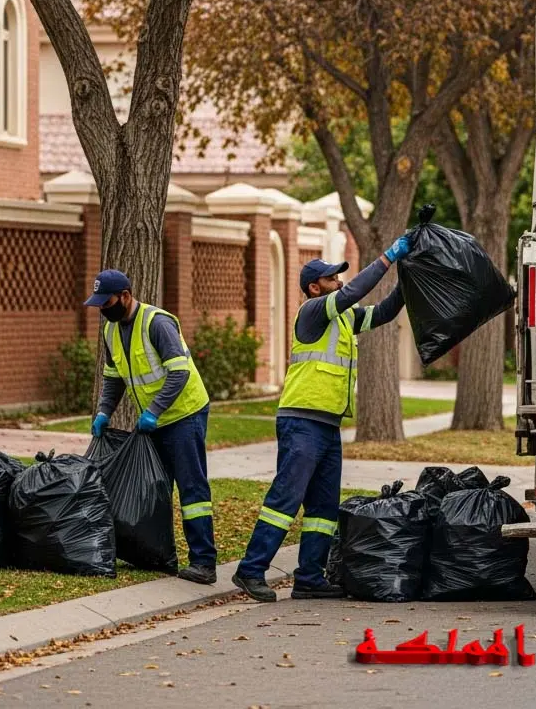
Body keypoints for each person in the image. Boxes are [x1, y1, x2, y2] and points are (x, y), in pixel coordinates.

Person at [232, 234, 412, 601]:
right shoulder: (314, 311)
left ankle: (309, 577)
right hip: (301, 421)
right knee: (286, 498)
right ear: (315, 287)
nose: (339, 282)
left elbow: (384, 312)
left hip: (327, 424)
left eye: (337, 277)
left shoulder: (343, 318)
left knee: (323, 507)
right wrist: (388, 257)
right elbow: (353, 292)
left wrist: (408, 276)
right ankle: (250, 571)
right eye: (331, 278)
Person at [84, 269, 216, 585]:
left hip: (184, 415)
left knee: (192, 488)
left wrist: (154, 411)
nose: (103, 309)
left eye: (108, 302)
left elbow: (179, 373)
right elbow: (113, 378)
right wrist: (104, 412)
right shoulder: (111, 331)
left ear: (126, 296)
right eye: (99, 304)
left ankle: (204, 563)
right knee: (155, 487)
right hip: (153, 421)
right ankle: (158, 555)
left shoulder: (157, 323)